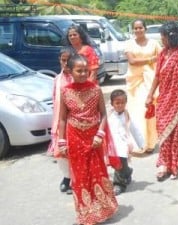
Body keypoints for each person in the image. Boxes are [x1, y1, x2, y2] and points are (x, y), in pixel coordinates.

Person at [58, 54, 118, 224]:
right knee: (80, 173)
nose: (84, 73)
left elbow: (104, 114)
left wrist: (100, 133)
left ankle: (103, 208)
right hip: (74, 137)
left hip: (94, 137)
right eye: (79, 70)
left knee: (97, 171)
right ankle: (86, 212)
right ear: (70, 71)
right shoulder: (65, 91)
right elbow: (62, 118)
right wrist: (61, 141)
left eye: (86, 70)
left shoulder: (96, 89)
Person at [145, 21, 178, 181]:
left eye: (164, 37)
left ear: (172, 37)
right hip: (164, 99)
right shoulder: (163, 54)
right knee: (163, 129)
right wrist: (150, 94)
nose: (162, 40)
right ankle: (164, 162)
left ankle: (174, 164)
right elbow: (157, 76)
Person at [125, 19, 162, 155]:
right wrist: (151, 60)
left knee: (149, 111)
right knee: (135, 113)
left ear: (145, 29)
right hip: (134, 83)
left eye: (140, 28)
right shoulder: (129, 44)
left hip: (150, 82)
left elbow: (162, 58)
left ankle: (151, 143)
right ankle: (138, 143)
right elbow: (132, 61)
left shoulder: (154, 43)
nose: (138, 30)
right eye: (136, 28)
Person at [47, 46, 74, 194]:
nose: (66, 64)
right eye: (63, 60)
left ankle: (76, 179)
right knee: (61, 153)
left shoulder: (79, 77)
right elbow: (55, 100)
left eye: (69, 60)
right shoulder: (57, 80)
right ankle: (66, 177)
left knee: (75, 152)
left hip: (74, 122)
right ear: (59, 61)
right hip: (59, 122)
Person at [107, 89, 145, 195]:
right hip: (112, 145)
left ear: (126, 103)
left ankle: (119, 184)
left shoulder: (126, 116)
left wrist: (141, 143)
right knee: (117, 164)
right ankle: (127, 172)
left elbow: (134, 129)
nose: (120, 105)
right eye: (117, 103)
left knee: (120, 164)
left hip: (123, 145)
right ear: (112, 103)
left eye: (122, 103)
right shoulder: (109, 116)